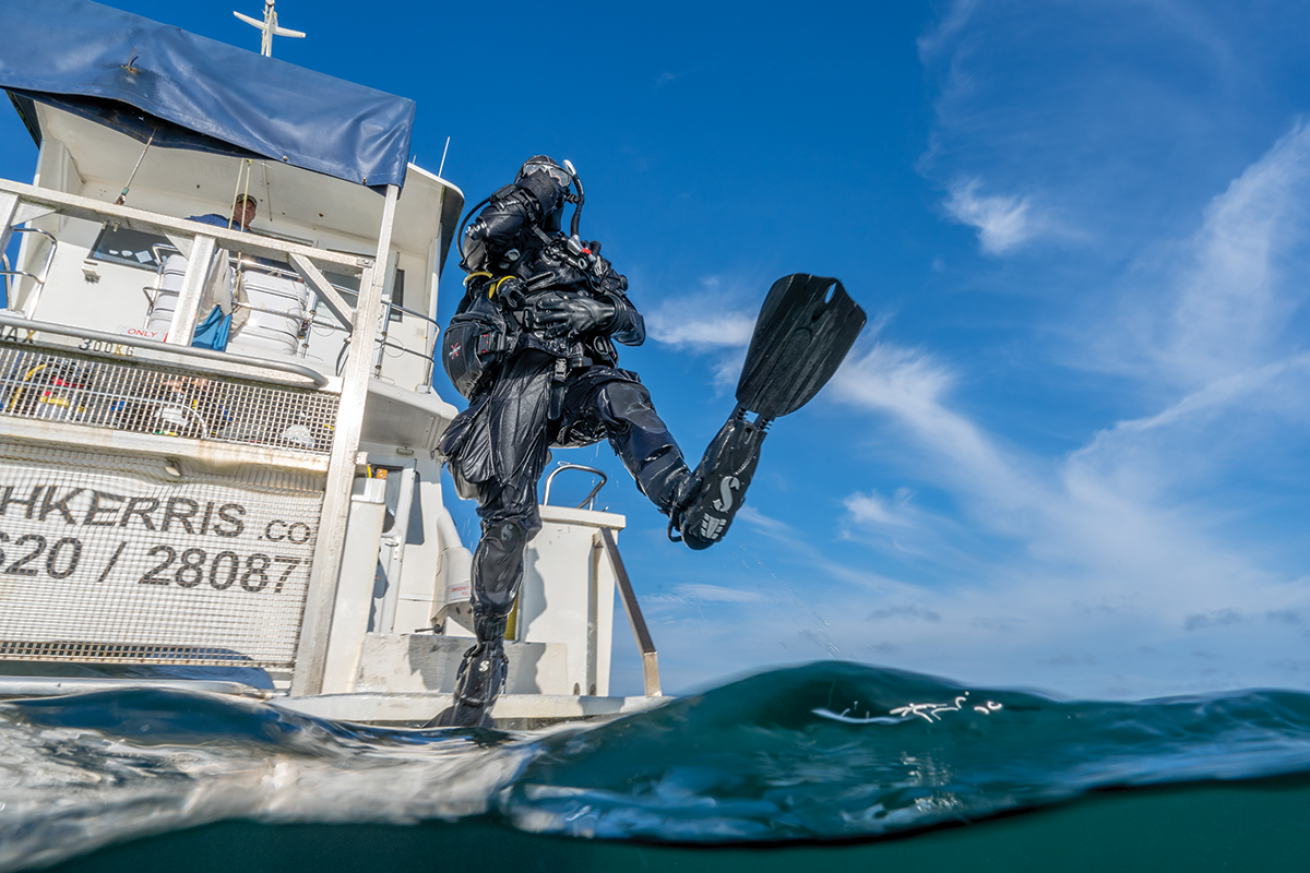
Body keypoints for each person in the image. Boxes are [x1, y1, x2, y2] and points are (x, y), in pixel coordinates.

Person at [434, 157, 865, 727]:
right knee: (509, 518)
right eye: (543, 180)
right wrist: (535, 185)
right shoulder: (503, 236)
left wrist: (601, 307)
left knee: (624, 399)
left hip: (581, 377)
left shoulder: (585, 258)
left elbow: (634, 325)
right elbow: (480, 237)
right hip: (519, 374)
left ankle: (689, 500)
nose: (553, 187)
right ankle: (486, 655)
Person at [188, 193, 258, 231]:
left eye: (250, 208)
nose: (246, 210)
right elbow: (187, 223)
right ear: (233, 208)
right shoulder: (216, 220)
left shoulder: (255, 237)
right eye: (242, 206)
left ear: (254, 216)